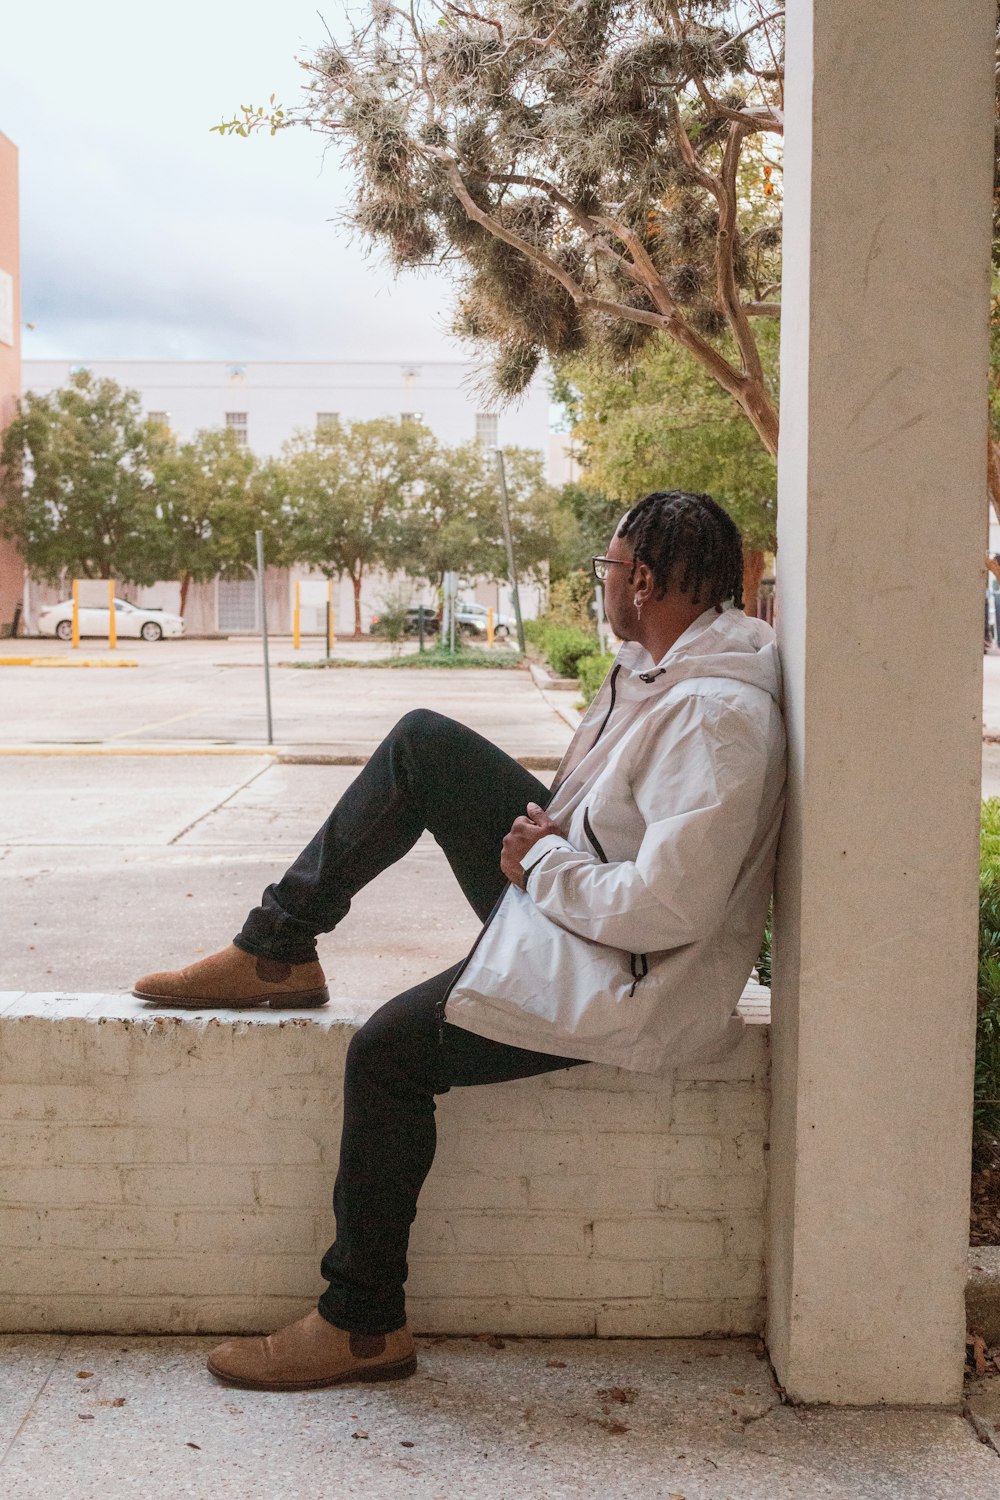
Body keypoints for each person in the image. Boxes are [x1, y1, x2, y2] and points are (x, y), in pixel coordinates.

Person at [133, 490, 786, 1392]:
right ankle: (277, 949)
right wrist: (543, 860)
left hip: (621, 972)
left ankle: (363, 1323)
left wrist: (541, 868)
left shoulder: (716, 718)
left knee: (388, 1054)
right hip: (570, 906)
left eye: (605, 569)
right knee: (424, 745)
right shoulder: (659, 673)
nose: (600, 585)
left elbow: (670, 911)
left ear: (640, 579)